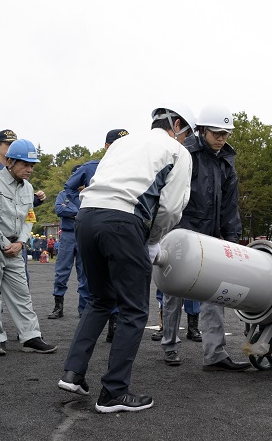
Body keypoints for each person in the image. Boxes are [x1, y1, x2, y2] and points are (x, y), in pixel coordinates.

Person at [57, 104, 194, 413]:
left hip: (86, 217)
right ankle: (114, 392)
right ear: (177, 125)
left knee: (101, 299)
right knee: (133, 309)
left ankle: (73, 372)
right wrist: (153, 240)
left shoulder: (122, 142)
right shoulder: (177, 151)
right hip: (122, 221)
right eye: (188, 133)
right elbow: (172, 207)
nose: (187, 140)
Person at [160, 105, 250, 372]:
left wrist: (232, 236)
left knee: (215, 292)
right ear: (201, 130)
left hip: (211, 236)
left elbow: (230, 205)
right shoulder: (184, 152)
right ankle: (170, 346)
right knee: (173, 290)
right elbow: (172, 193)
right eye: (217, 132)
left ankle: (215, 354)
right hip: (180, 232)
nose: (222, 137)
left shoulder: (226, 161)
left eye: (226, 133)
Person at [0, 139, 57, 356]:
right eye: (25, 164)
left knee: (22, 294)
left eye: (32, 165)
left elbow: (30, 217)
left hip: (16, 247)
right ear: (9, 161)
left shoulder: (28, 188)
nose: (30, 169)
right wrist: (4, 243)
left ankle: (30, 337)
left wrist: (21, 242)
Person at [49, 128, 129, 343]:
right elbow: (69, 189)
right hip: (86, 231)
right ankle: (86, 325)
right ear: (106, 146)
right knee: (86, 278)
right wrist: (86, 206)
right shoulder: (91, 167)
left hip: (117, 230)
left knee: (115, 277)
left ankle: (113, 325)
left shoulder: (132, 168)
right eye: (116, 144)